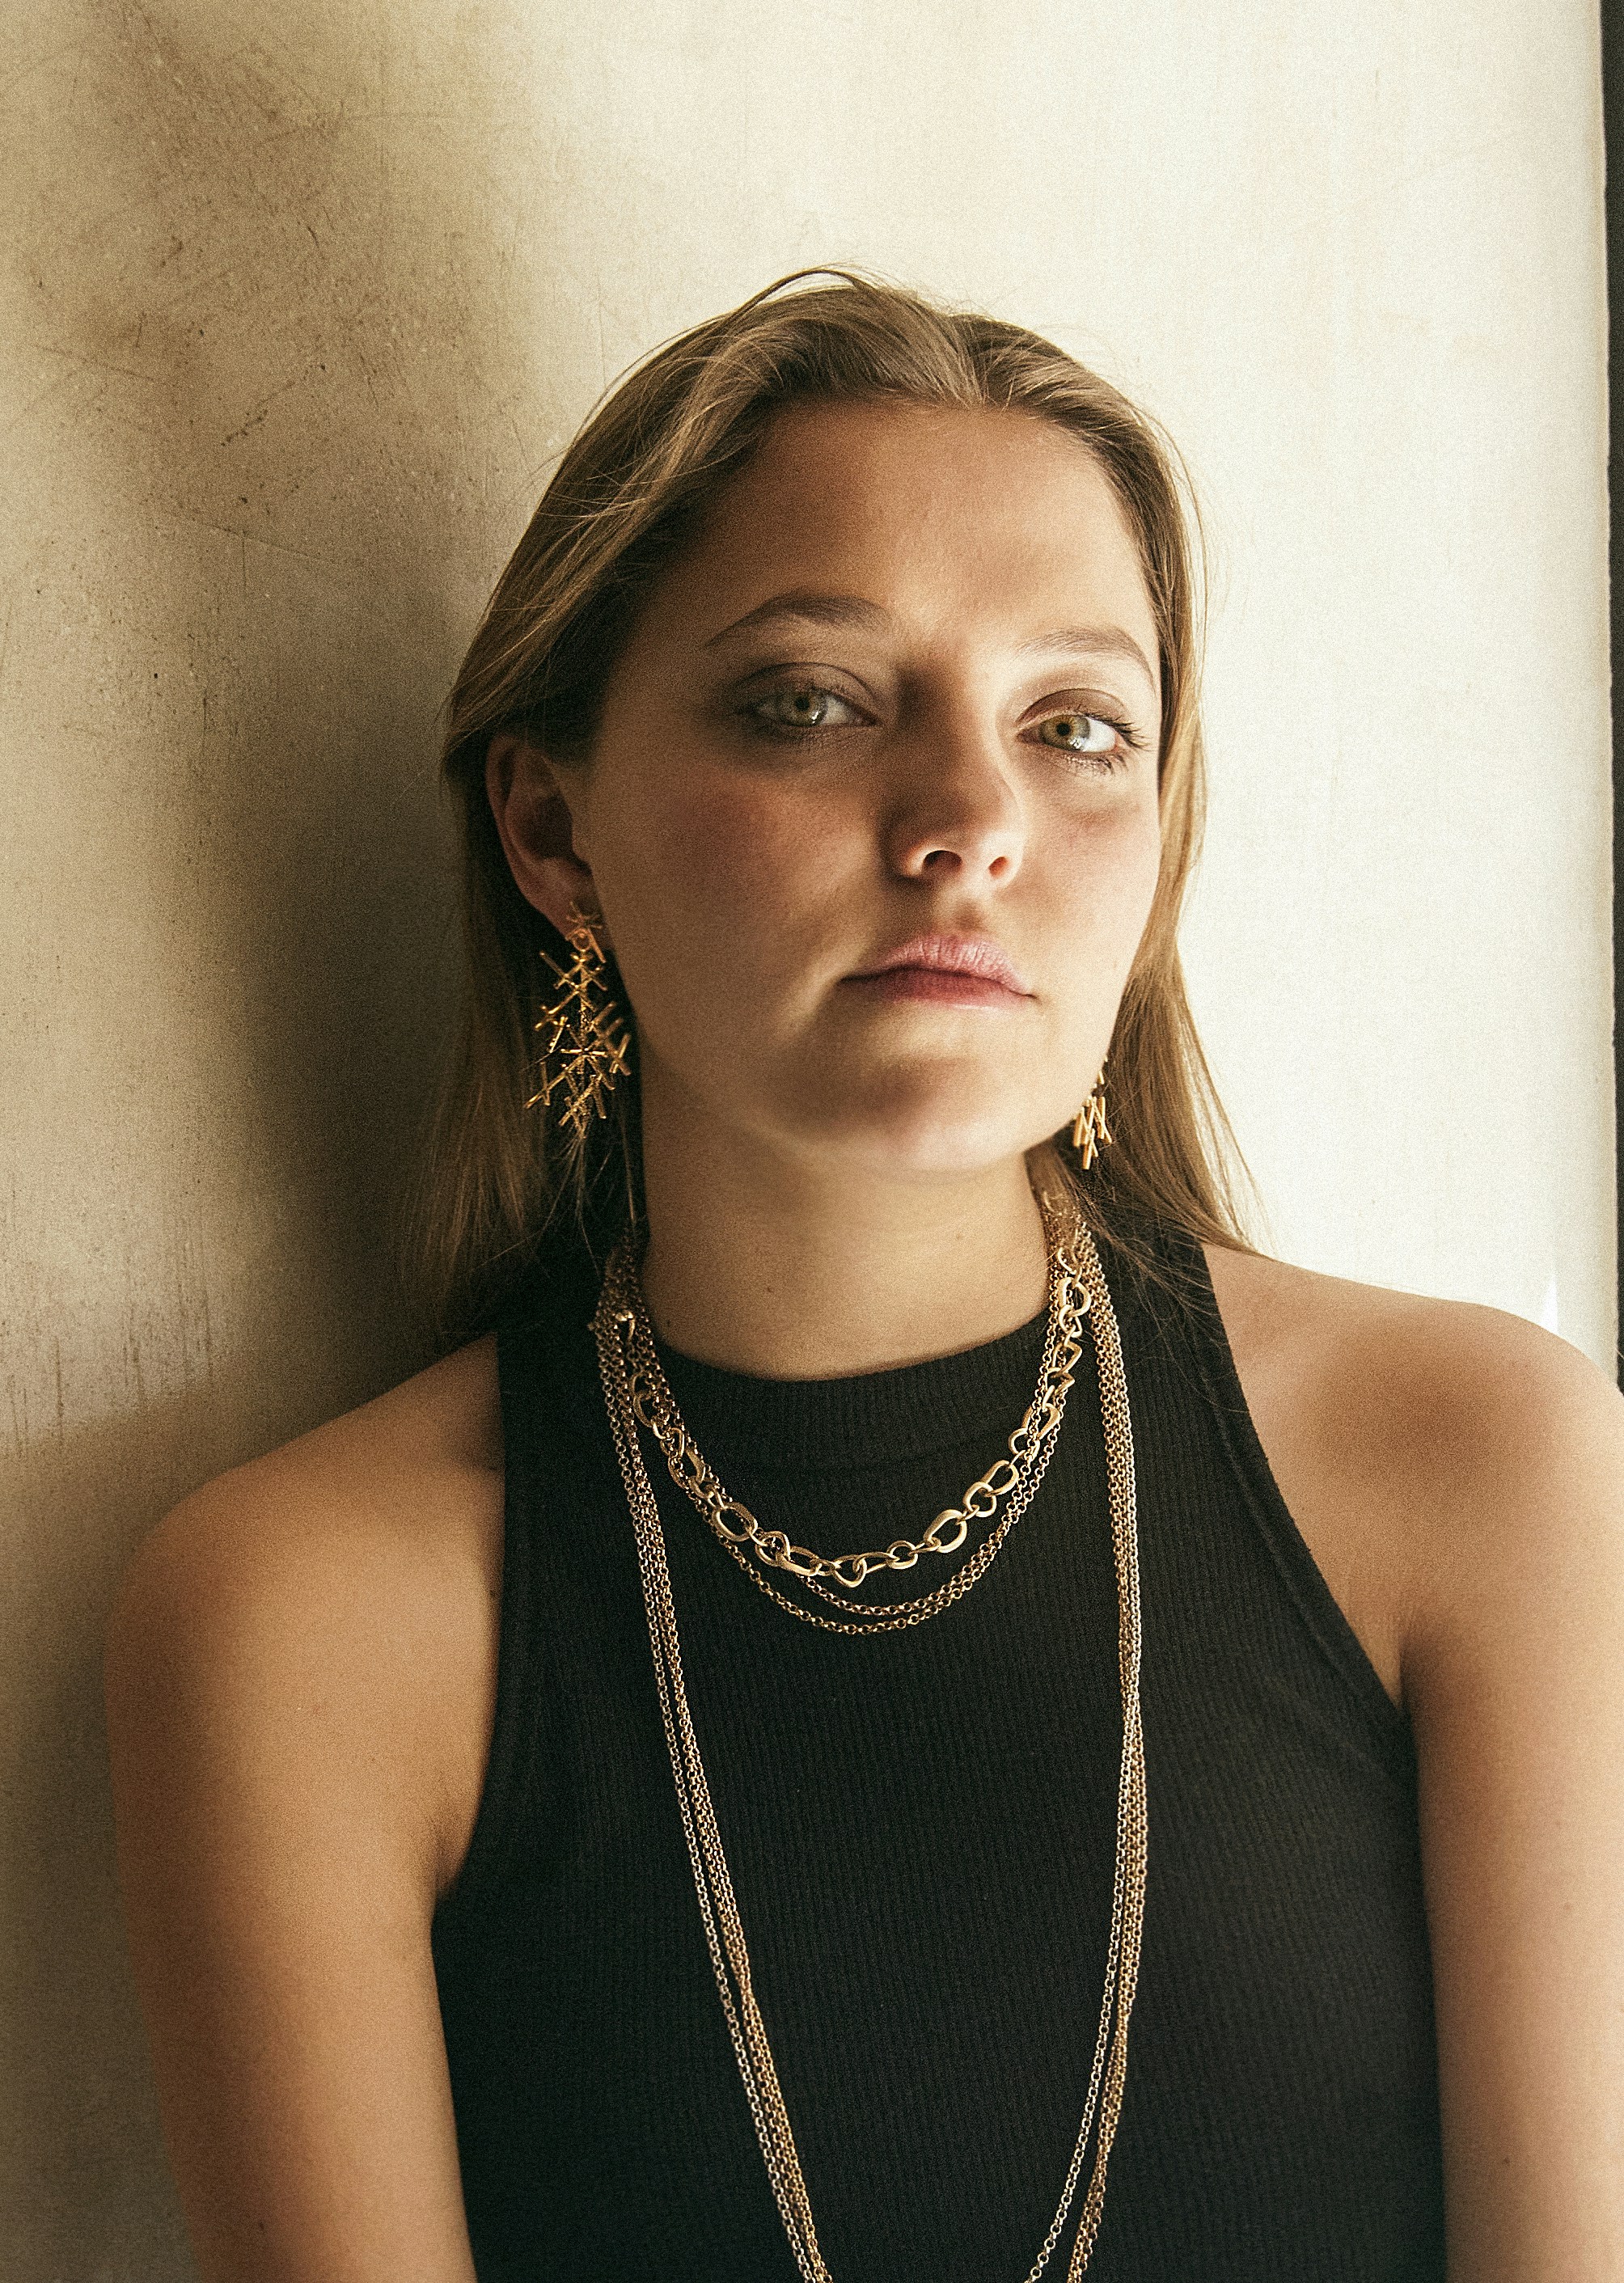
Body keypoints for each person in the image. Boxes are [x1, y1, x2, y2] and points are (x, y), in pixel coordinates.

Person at [104, 271, 1624, 2283]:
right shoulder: (308, 1614)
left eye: (1073, 725)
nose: (970, 820)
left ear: (1154, 842)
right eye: (812, 704)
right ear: (552, 829)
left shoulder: (1478, 1460)